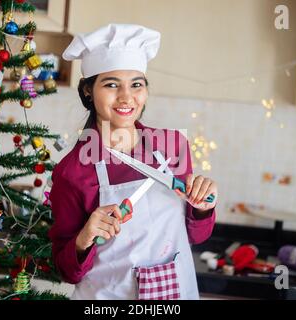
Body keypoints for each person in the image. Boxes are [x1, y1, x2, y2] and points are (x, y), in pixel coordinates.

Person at [48, 24, 218, 300]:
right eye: (112, 84)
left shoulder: (174, 146)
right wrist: (84, 238)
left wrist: (203, 207)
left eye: (136, 84)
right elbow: (65, 270)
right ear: (89, 90)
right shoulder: (72, 172)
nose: (127, 97)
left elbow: (195, 236)